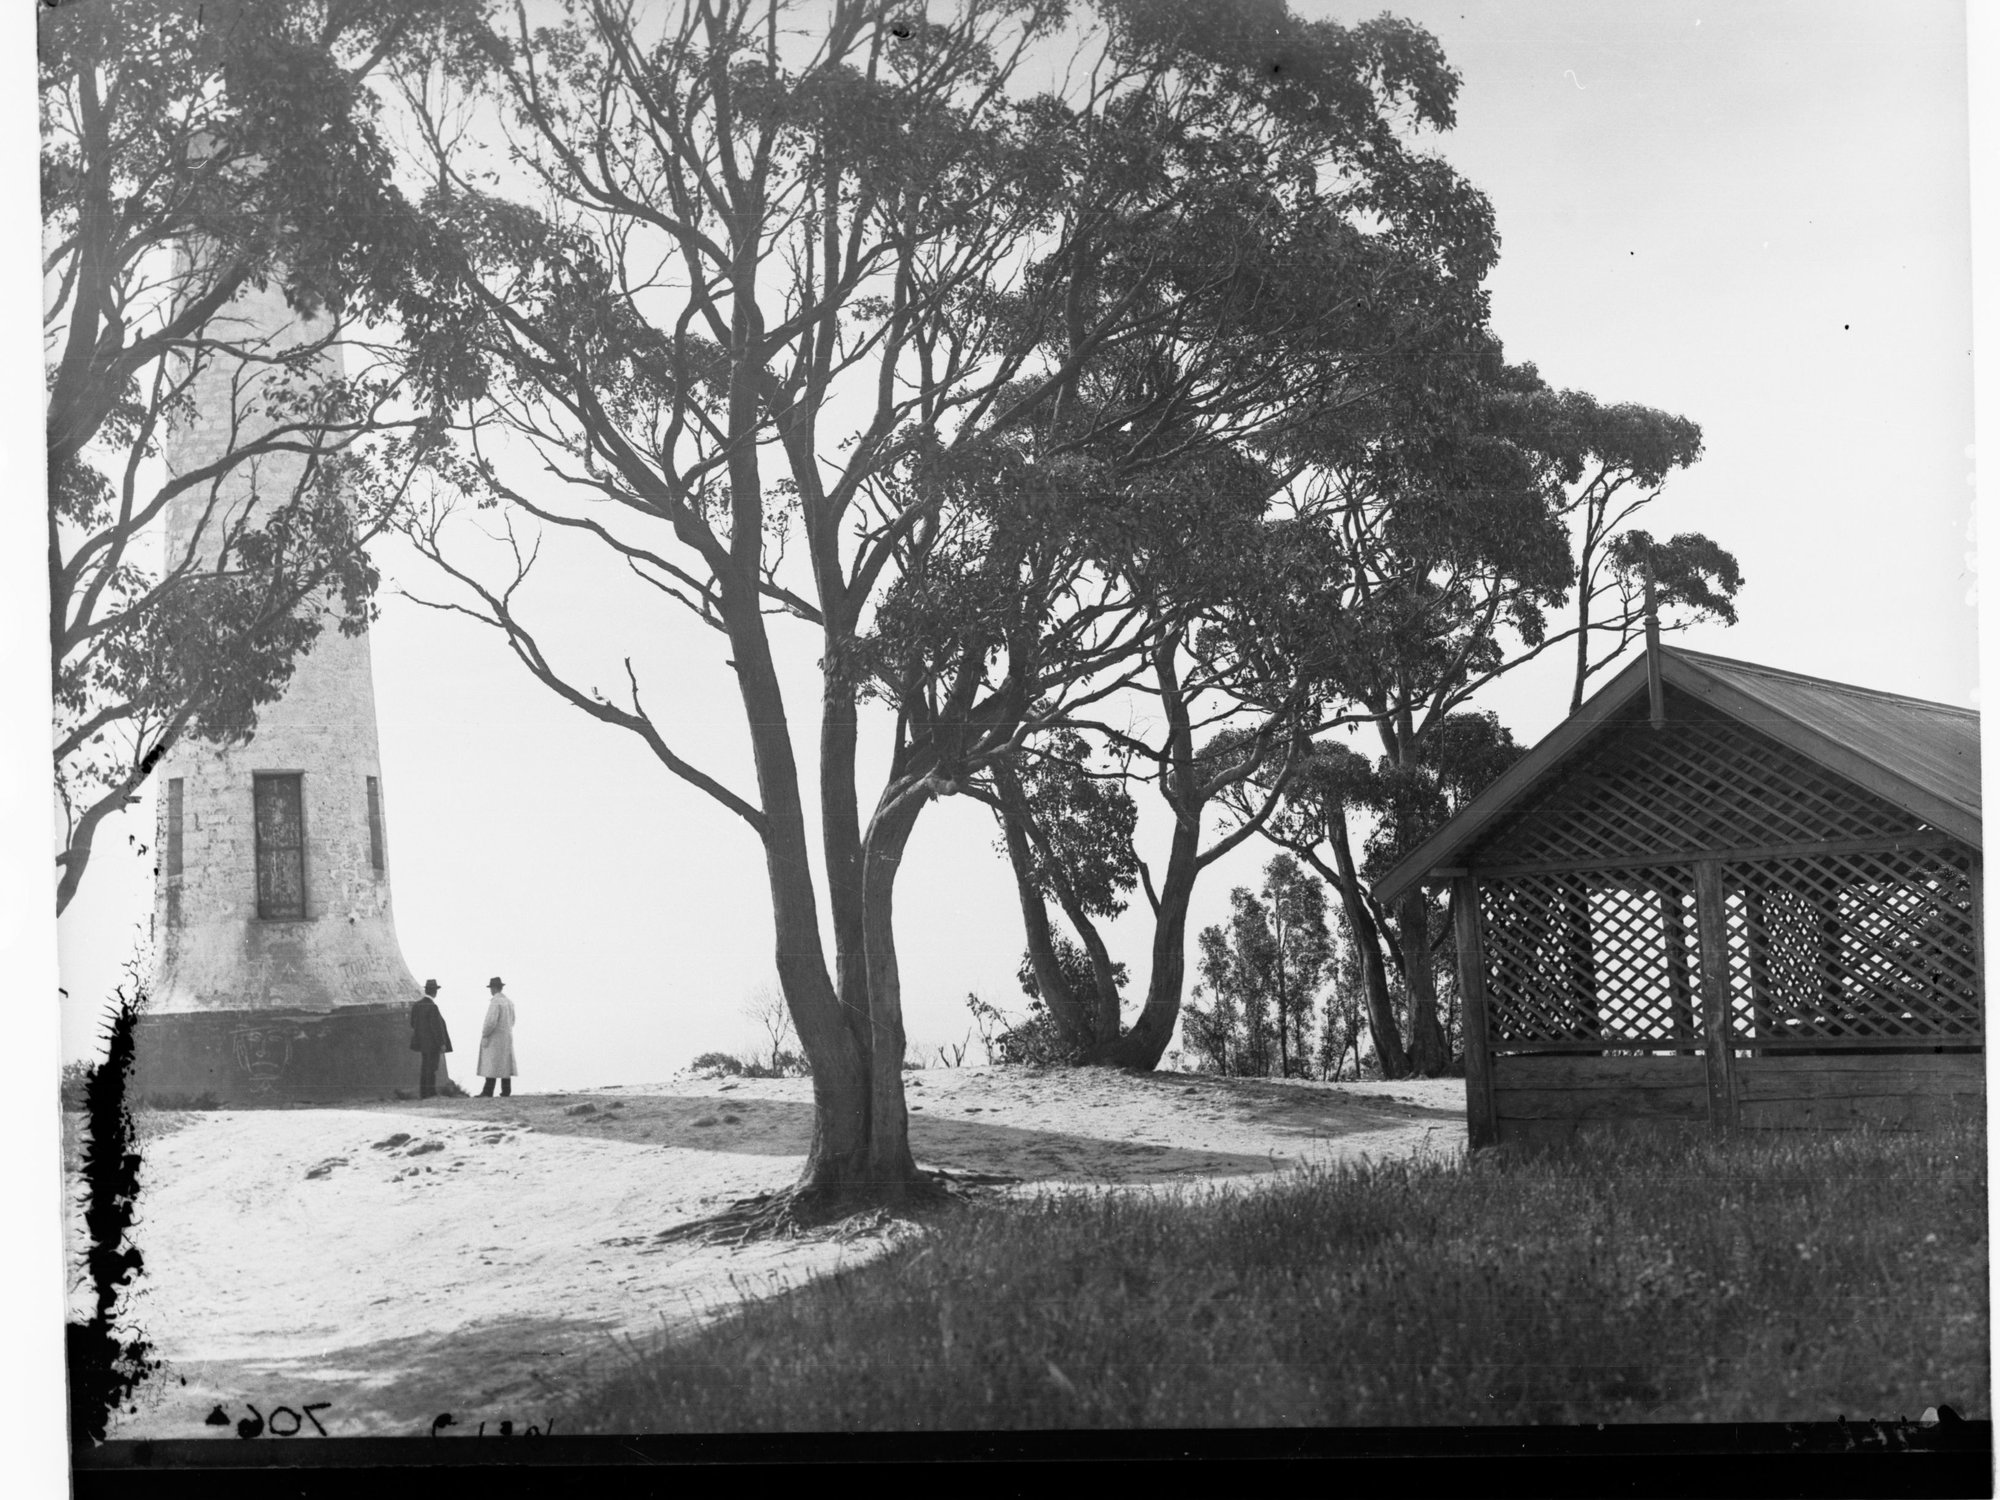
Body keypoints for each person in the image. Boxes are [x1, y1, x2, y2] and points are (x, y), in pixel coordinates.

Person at [409, 979, 453, 1099]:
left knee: (425, 1067)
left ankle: (424, 1093)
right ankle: (431, 1092)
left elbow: (413, 1023)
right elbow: (437, 1028)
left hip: (422, 1043)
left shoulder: (417, 1005)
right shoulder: (432, 1007)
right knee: (432, 1067)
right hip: (432, 1044)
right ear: (435, 992)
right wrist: (442, 1043)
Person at [477, 976, 517, 1098]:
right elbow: (513, 1020)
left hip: (495, 1037)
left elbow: (491, 1022)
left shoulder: (495, 1002)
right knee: (505, 1064)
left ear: (493, 988)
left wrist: (485, 1033)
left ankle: (488, 1091)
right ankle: (506, 1090)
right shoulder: (509, 1002)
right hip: (506, 1036)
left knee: (491, 1064)